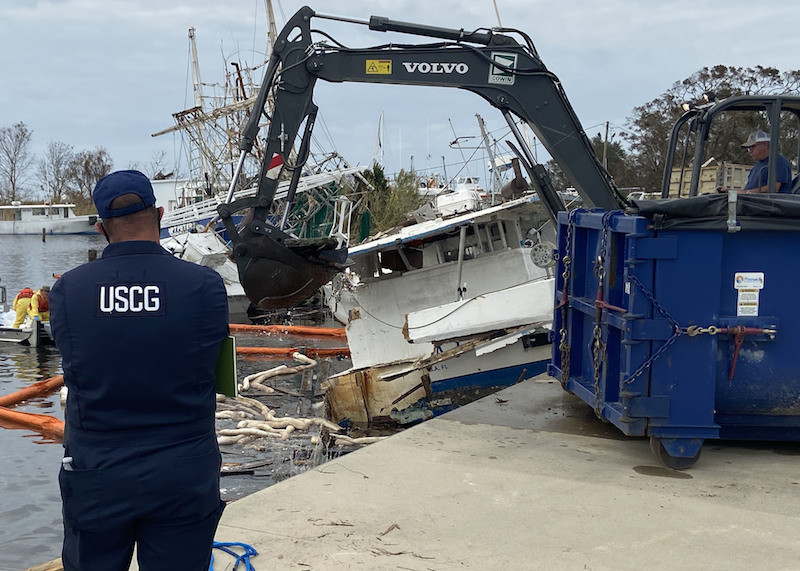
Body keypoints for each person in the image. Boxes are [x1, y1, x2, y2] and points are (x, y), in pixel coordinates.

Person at [49, 170, 230, 570]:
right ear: (160, 214)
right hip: (183, 467)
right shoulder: (204, 286)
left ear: (100, 228)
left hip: (96, 469)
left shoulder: (69, 291)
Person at [740, 129, 793, 194]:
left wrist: (748, 192)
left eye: (752, 147)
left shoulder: (778, 162)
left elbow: (774, 188)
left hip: (770, 203)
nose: (750, 151)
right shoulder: (758, 165)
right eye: (749, 149)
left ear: (765, 145)